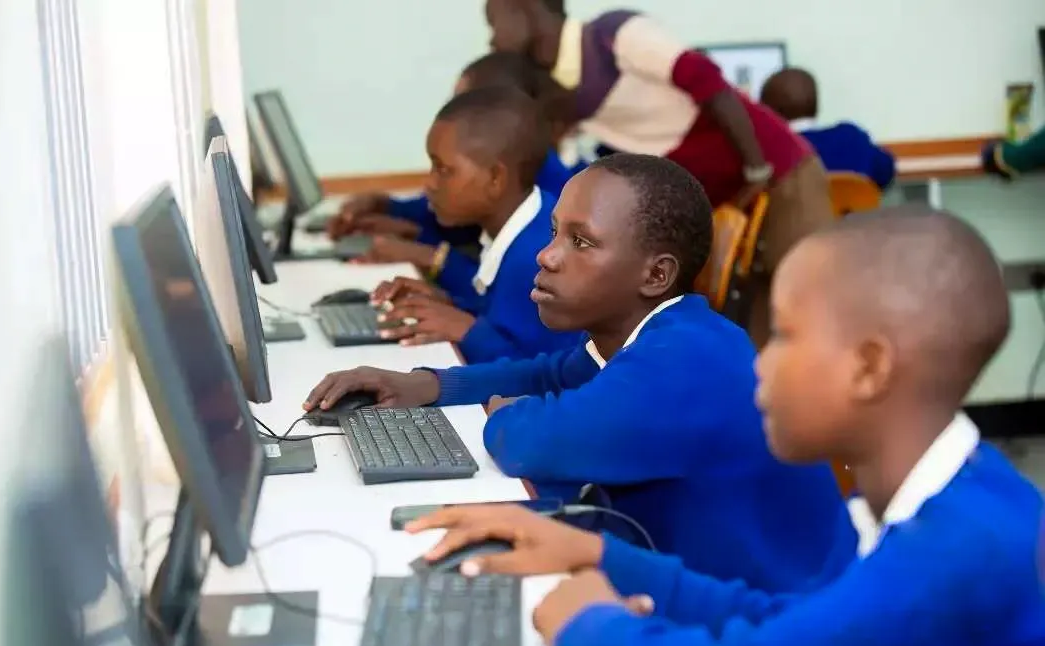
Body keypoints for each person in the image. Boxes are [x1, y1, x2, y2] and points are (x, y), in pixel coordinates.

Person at [404, 206, 1045, 646]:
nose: (759, 363)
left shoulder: (953, 554)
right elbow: (792, 623)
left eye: (785, 337)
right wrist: (595, 558)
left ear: (870, 367)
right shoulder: (937, 498)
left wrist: (587, 623)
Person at [306, 154, 856, 594]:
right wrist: (430, 385)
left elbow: (525, 441)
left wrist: (505, 413)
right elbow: (551, 373)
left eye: (582, 242)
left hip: (771, 624)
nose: (547, 256)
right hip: (699, 580)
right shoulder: (647, 332)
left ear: (655, 274)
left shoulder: (686, 362)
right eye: (554, 233)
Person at [483, 0, 833, 346]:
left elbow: (710, 83)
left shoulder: (613, 34)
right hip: (733, 194)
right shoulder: (562, 86)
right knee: (765, 316)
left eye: (494, 24)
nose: (493, 40)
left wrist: (756, 169)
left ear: (522, 8)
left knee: (810, 297)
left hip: (780, 173)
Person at [329, 51, 583, 289]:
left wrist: (431, 258)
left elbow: (505, 294)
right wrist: (390, 209)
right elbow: (436, 214)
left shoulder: (552, 204)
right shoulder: (512, 180)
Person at [362, 85, 580, 362]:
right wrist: (450, 303)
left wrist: (466, 329)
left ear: (495, 179)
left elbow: (542, 371)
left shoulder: (540, 256)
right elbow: (505, 319)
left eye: (443, 169)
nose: (429, 184)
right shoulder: (526, 225)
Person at [760, 67, 896, 190]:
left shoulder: (770, 151)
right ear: (816, 105)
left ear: (766, 112)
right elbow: (885, 171)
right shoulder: (852, 137)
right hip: (853, 216)